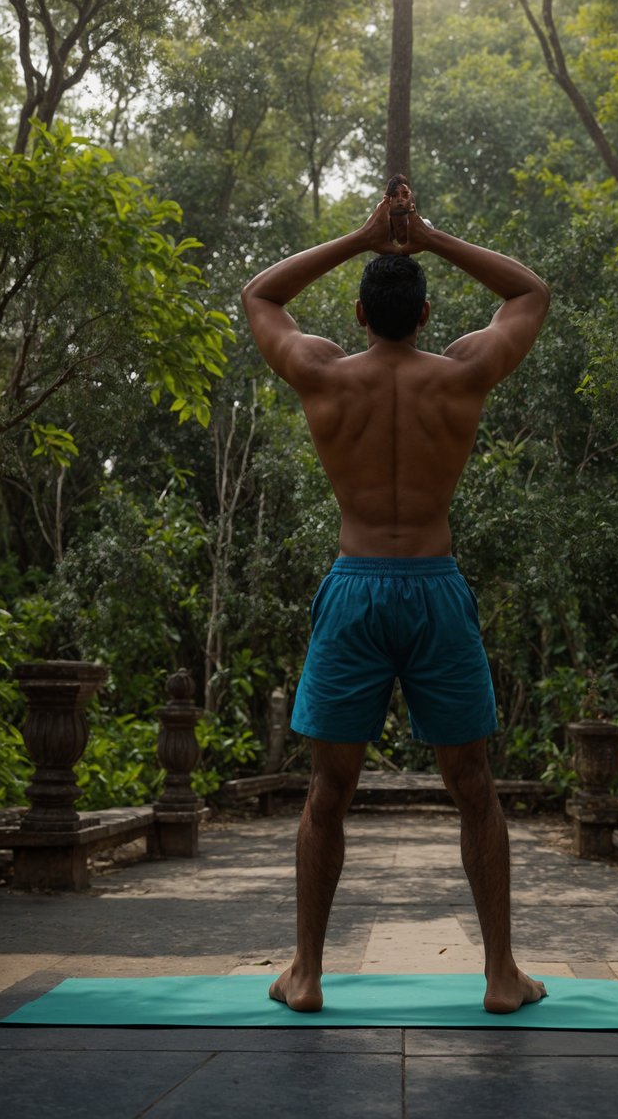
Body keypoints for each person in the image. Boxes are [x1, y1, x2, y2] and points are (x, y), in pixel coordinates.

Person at [241, 188, 551, 1014]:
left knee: (326, 791)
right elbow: (529, 294)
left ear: (356, 311)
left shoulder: (320, 374)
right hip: (435, 592)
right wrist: (430, 236)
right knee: (473, 784)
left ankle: (305, 974)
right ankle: (499, 976)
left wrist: (363, 236)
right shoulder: (462, 376)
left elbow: (260, 296)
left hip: (354, 594)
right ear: (425, 314)